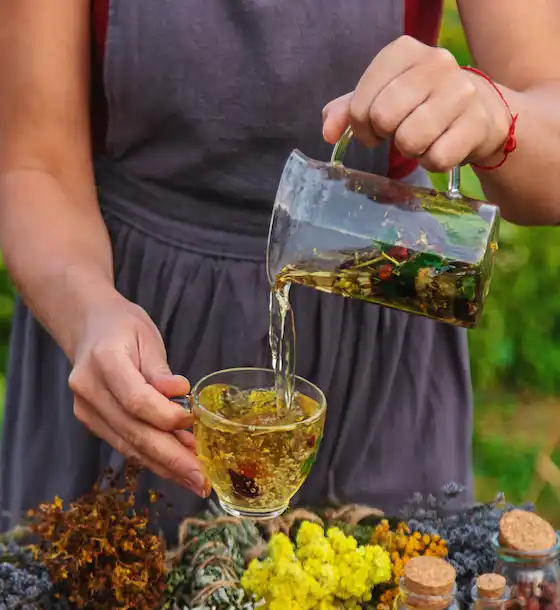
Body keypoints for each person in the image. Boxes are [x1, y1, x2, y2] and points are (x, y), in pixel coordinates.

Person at [0, 0, 559, 538]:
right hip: (128, 334)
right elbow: (35, 164)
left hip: (374, 330)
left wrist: (495, 113)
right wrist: (89, 313)